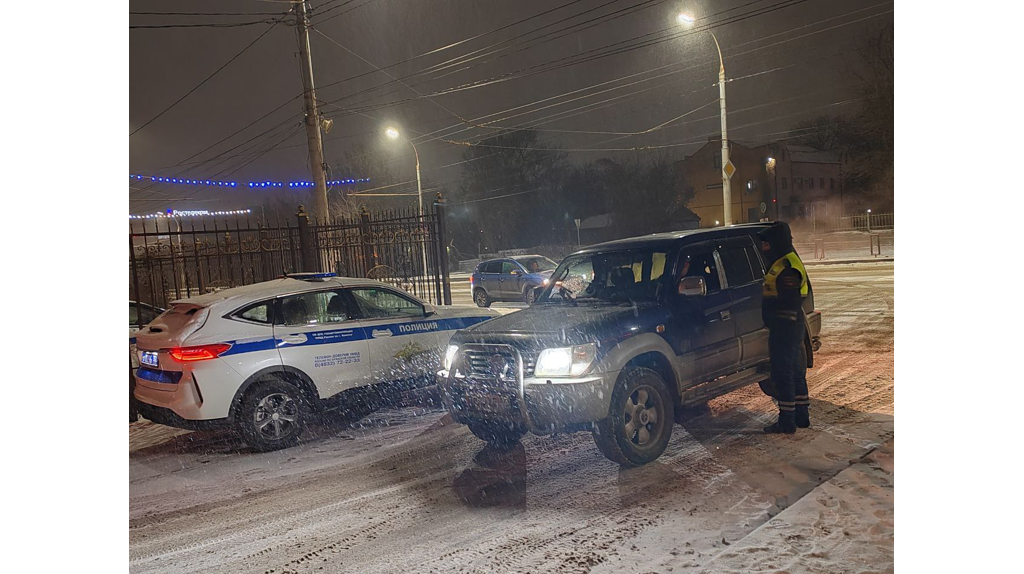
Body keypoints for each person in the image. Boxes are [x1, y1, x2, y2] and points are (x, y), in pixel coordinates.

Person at [758, 222, 810, 434]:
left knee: (783, 374)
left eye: (767, 244)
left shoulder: (787, 266)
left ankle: (787, 421)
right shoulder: (783, 261)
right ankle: (801, 416)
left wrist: (778, 324)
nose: (764, 248)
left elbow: (790, 301)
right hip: (789, 326)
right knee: (795, 372)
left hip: (785, 327)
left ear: (777, 242)